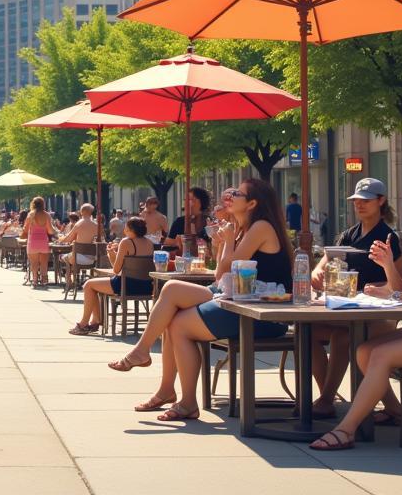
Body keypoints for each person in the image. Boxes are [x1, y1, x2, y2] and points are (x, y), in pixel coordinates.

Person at [109, 179, 293, 422]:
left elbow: (230, 268)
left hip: (262, 311)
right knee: (172, 290)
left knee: (178, 325)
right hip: (239, 298)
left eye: (237, 193)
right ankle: (159, 377)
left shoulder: (260, 227)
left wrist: (226, 242)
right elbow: (222, 274)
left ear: (252, 203)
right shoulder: (242, 227)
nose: (230, 195)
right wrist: (225, 242)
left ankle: (183, 399)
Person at [310, 184, 402, 452]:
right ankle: (395, 410)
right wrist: (387, 268)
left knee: (379, 355)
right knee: (364, 351)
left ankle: (346, 429)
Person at [309, 177, 402, 420]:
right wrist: (317, 271)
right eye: (356, 201)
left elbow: (400, 282)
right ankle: (327, 395)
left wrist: (378, 286)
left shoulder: (389, 236)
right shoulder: (348, 235)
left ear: (381, 201)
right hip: (344, 308)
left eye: (366, 201)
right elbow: (325, 261)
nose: (359, 205)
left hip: (377, 314)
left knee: (343, 337)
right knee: (306, 332)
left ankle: (327, 399)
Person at [70, 216, 154, 334]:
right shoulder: (149, 243)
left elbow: (116, 269)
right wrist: (114, 253)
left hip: (127, 285)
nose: (124, 230)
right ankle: (95, 321)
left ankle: (84, 324)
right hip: (146, 286)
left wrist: (111, 254)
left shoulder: (126, 242)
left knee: (88, 285)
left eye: (126, 228)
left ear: (130, 229)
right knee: (93, 285)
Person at [61, 203, 101, 287]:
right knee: (72, 256)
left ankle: (70, 282)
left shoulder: (79, 224)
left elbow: (68, 239)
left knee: (64, 257)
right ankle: (77, 280)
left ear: (81, 212)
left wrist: (59, 238)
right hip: (93, 259)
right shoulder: (96, 225)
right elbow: (101, 240)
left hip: (78, 258)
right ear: (91, 212)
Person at [162, 187, 211, 255]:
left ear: (200, 201)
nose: (185, 202)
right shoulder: (179, 221)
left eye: (190, 199)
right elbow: (170, 244)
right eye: (185, 200)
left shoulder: (209, 222)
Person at [21, 196, 56, 288]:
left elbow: (25, 229)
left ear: (33, 204)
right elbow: (50, 231)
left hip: (32, 242)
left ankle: (35, 281)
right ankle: (44, 281)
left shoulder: (30, 215)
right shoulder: (47, 215)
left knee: (34, 263)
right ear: (43, 204)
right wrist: (56, 232)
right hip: (43, 241)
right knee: (44, 263)